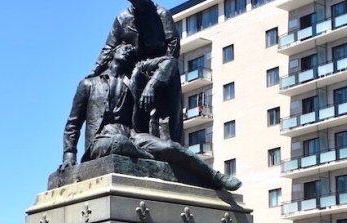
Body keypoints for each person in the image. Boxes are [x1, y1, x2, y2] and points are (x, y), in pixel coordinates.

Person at [59, 43, 241, 191]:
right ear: (113, 53)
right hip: (101, 140)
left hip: (131, 134)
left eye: (132, 50)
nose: (129, 49)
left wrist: (151, 83)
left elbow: (168, 61)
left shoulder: (133, 78)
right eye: (124, 47)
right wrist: (69, 155)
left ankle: (215, 177)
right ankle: (154, 159)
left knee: (171, 147)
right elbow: (73, 124)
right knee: (118, 144)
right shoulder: (88, 84)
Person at [89, 0, 182, 142]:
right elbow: (109, 48)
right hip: (134, 74)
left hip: (161, 73)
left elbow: (172, 53)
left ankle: (167, 150)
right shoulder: (122, 18)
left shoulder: (162, 14)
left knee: (163, 121)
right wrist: (94, 72)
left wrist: (154, 81)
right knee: (134, 117)